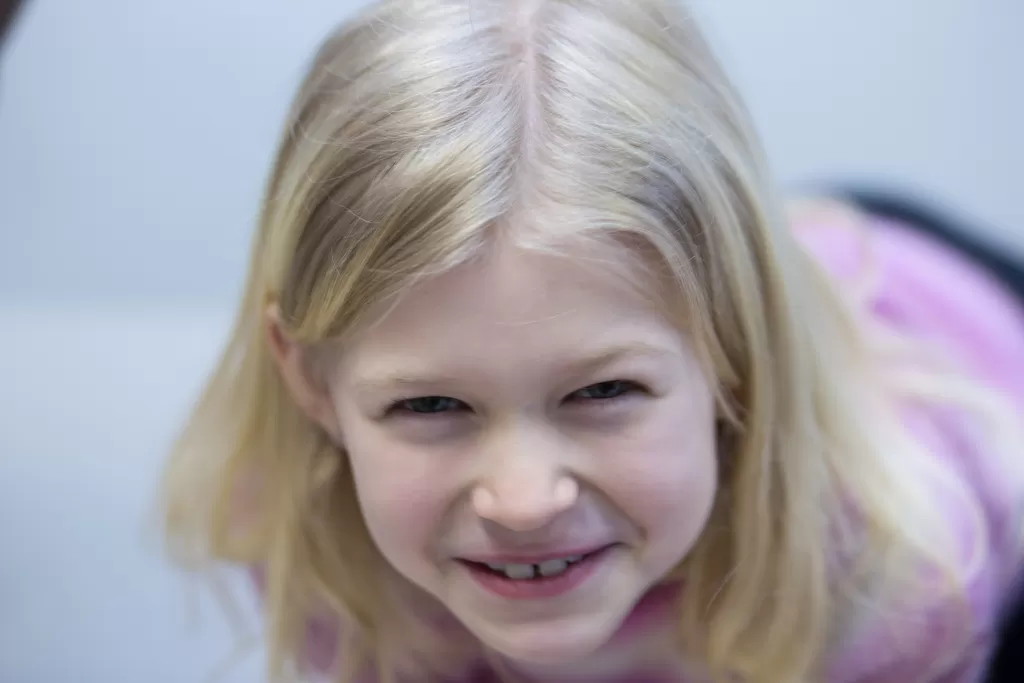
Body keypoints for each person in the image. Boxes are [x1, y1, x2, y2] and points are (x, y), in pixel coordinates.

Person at [160, 1, 1024, 681]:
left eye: (602, 392)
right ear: (310, 382)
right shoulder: (304, 544)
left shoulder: (900, 587)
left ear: (741, 349)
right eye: (430, 405)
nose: (523, 500)